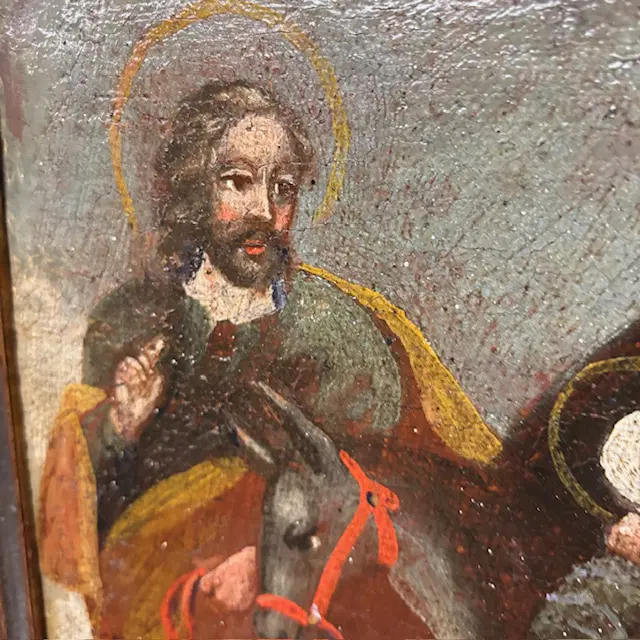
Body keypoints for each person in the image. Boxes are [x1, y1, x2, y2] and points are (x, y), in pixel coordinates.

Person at [38, 81, 514, 639]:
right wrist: (119, 430)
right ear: (195, 186)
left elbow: (385, 503)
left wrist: (275, 558)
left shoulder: (339, 330)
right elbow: (84, 530)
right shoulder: (130, 322)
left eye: (282, 188)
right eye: (238, 181)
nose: (264, 211)